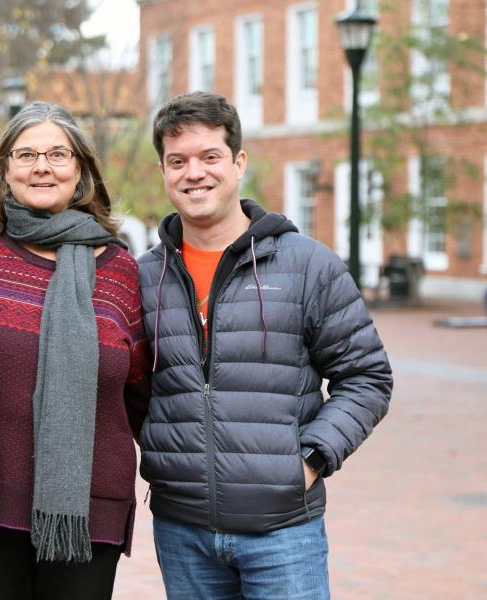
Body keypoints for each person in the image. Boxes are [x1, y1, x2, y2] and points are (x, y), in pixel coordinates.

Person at [138, 91, 393, 599]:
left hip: (283, 531)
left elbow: (367, 377)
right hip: (181, 528)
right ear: (164, 171)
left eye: (210, 157)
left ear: (238, 163)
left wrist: (311, 459)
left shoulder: (308, 265)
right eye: (178, 161)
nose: (195, 173)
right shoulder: (144, 276)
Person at [0, 101, 151, 600]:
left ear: (81, 169)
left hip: (88, 511)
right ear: (4, 171)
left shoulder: (122, 270)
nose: (42, 166)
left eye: (58, 154)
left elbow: (143, 387)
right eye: (26, 154)